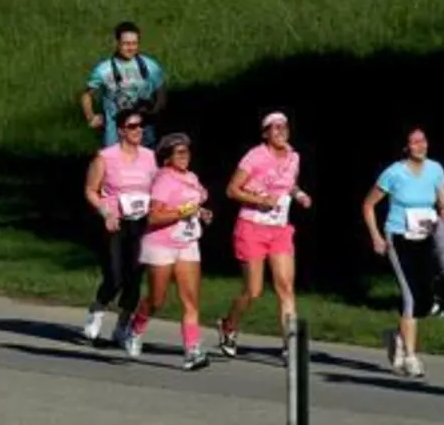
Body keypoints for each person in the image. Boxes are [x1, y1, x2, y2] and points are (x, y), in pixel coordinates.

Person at [217, 112, 312, 356]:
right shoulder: (255, 156)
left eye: (284, 127)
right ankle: (228, 325)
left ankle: (290, 345)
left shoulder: (294, 156)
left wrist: (300, 195)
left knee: (286, 287)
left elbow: (289, 184)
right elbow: (232, 190)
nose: (281, 131)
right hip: (251, 227)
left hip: (280, 228)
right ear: (265, 134)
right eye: (274, 127)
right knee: (254, 291)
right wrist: (259, 200)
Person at [362, 127, 444, 379]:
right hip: (399, 237)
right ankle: (411, 358)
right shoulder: (394, 173)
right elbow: (368, 205)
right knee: (410, 296)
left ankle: (397, 337)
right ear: (406, 147)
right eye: (414, 142)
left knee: (426, 298)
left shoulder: (435, 169)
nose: (420, 146)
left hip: (426, 237)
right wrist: (376, 236)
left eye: (423, 141)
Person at [121, 132, 213, 370]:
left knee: (190, 299)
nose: (184, 156)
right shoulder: (164, 180)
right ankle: (135, 328)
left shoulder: (191, 177)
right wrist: (183, 212)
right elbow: (153, 217)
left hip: (187, 241)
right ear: (167, 158)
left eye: (186, 151)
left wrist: (200, 212)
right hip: (161, 244)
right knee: (156, 299)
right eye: (179, 153)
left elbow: (191, 204)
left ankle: (192, 351)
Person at [82, 108, 156, 345]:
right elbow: (90, 190)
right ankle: (97, 309)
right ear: (121, 131)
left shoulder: (150, 157)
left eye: (140, 126)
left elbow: (159, 186)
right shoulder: (105, 157)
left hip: (141, 222)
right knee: (114, 275)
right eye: (133, 126)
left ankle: (122, 325)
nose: (138, 130)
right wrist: (105, 212)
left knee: (135, 276)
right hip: (114, 221)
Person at [81, 21, 166, 146]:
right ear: (117, 43)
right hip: (115, 139)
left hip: (145, 136)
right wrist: (91, 117)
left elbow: (161, 93)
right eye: (126, 44)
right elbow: (86, 95)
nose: (131, 48)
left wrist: (154, 111)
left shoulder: (151, 66)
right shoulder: (103, 70)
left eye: (134, 43)